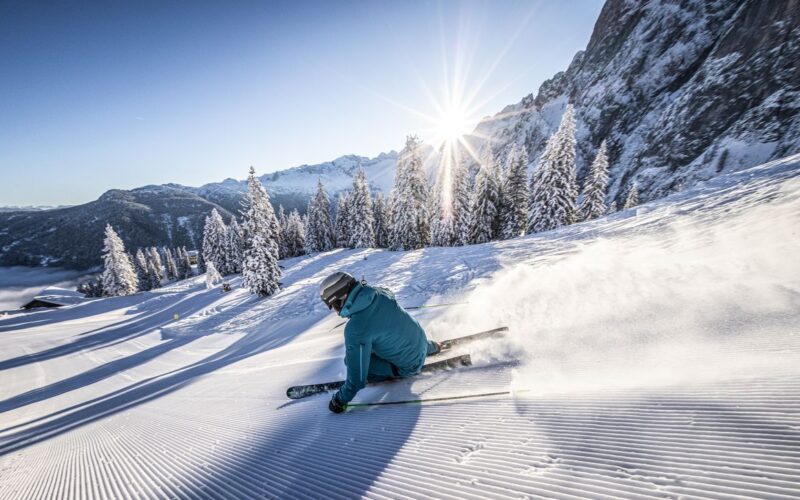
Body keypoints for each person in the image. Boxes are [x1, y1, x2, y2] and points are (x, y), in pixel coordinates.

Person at [320, 272, 440, 413]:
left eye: (332, 306)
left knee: (350, 360)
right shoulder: (378, 292)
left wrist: (339, 400)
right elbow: (388, 297)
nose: (334, 311)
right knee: (382, 335)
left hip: (409, 366)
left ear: (340, 299)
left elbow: (357, 380)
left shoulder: (356, 328)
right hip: (422, 342)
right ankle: (433, 347)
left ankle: (396, 369)